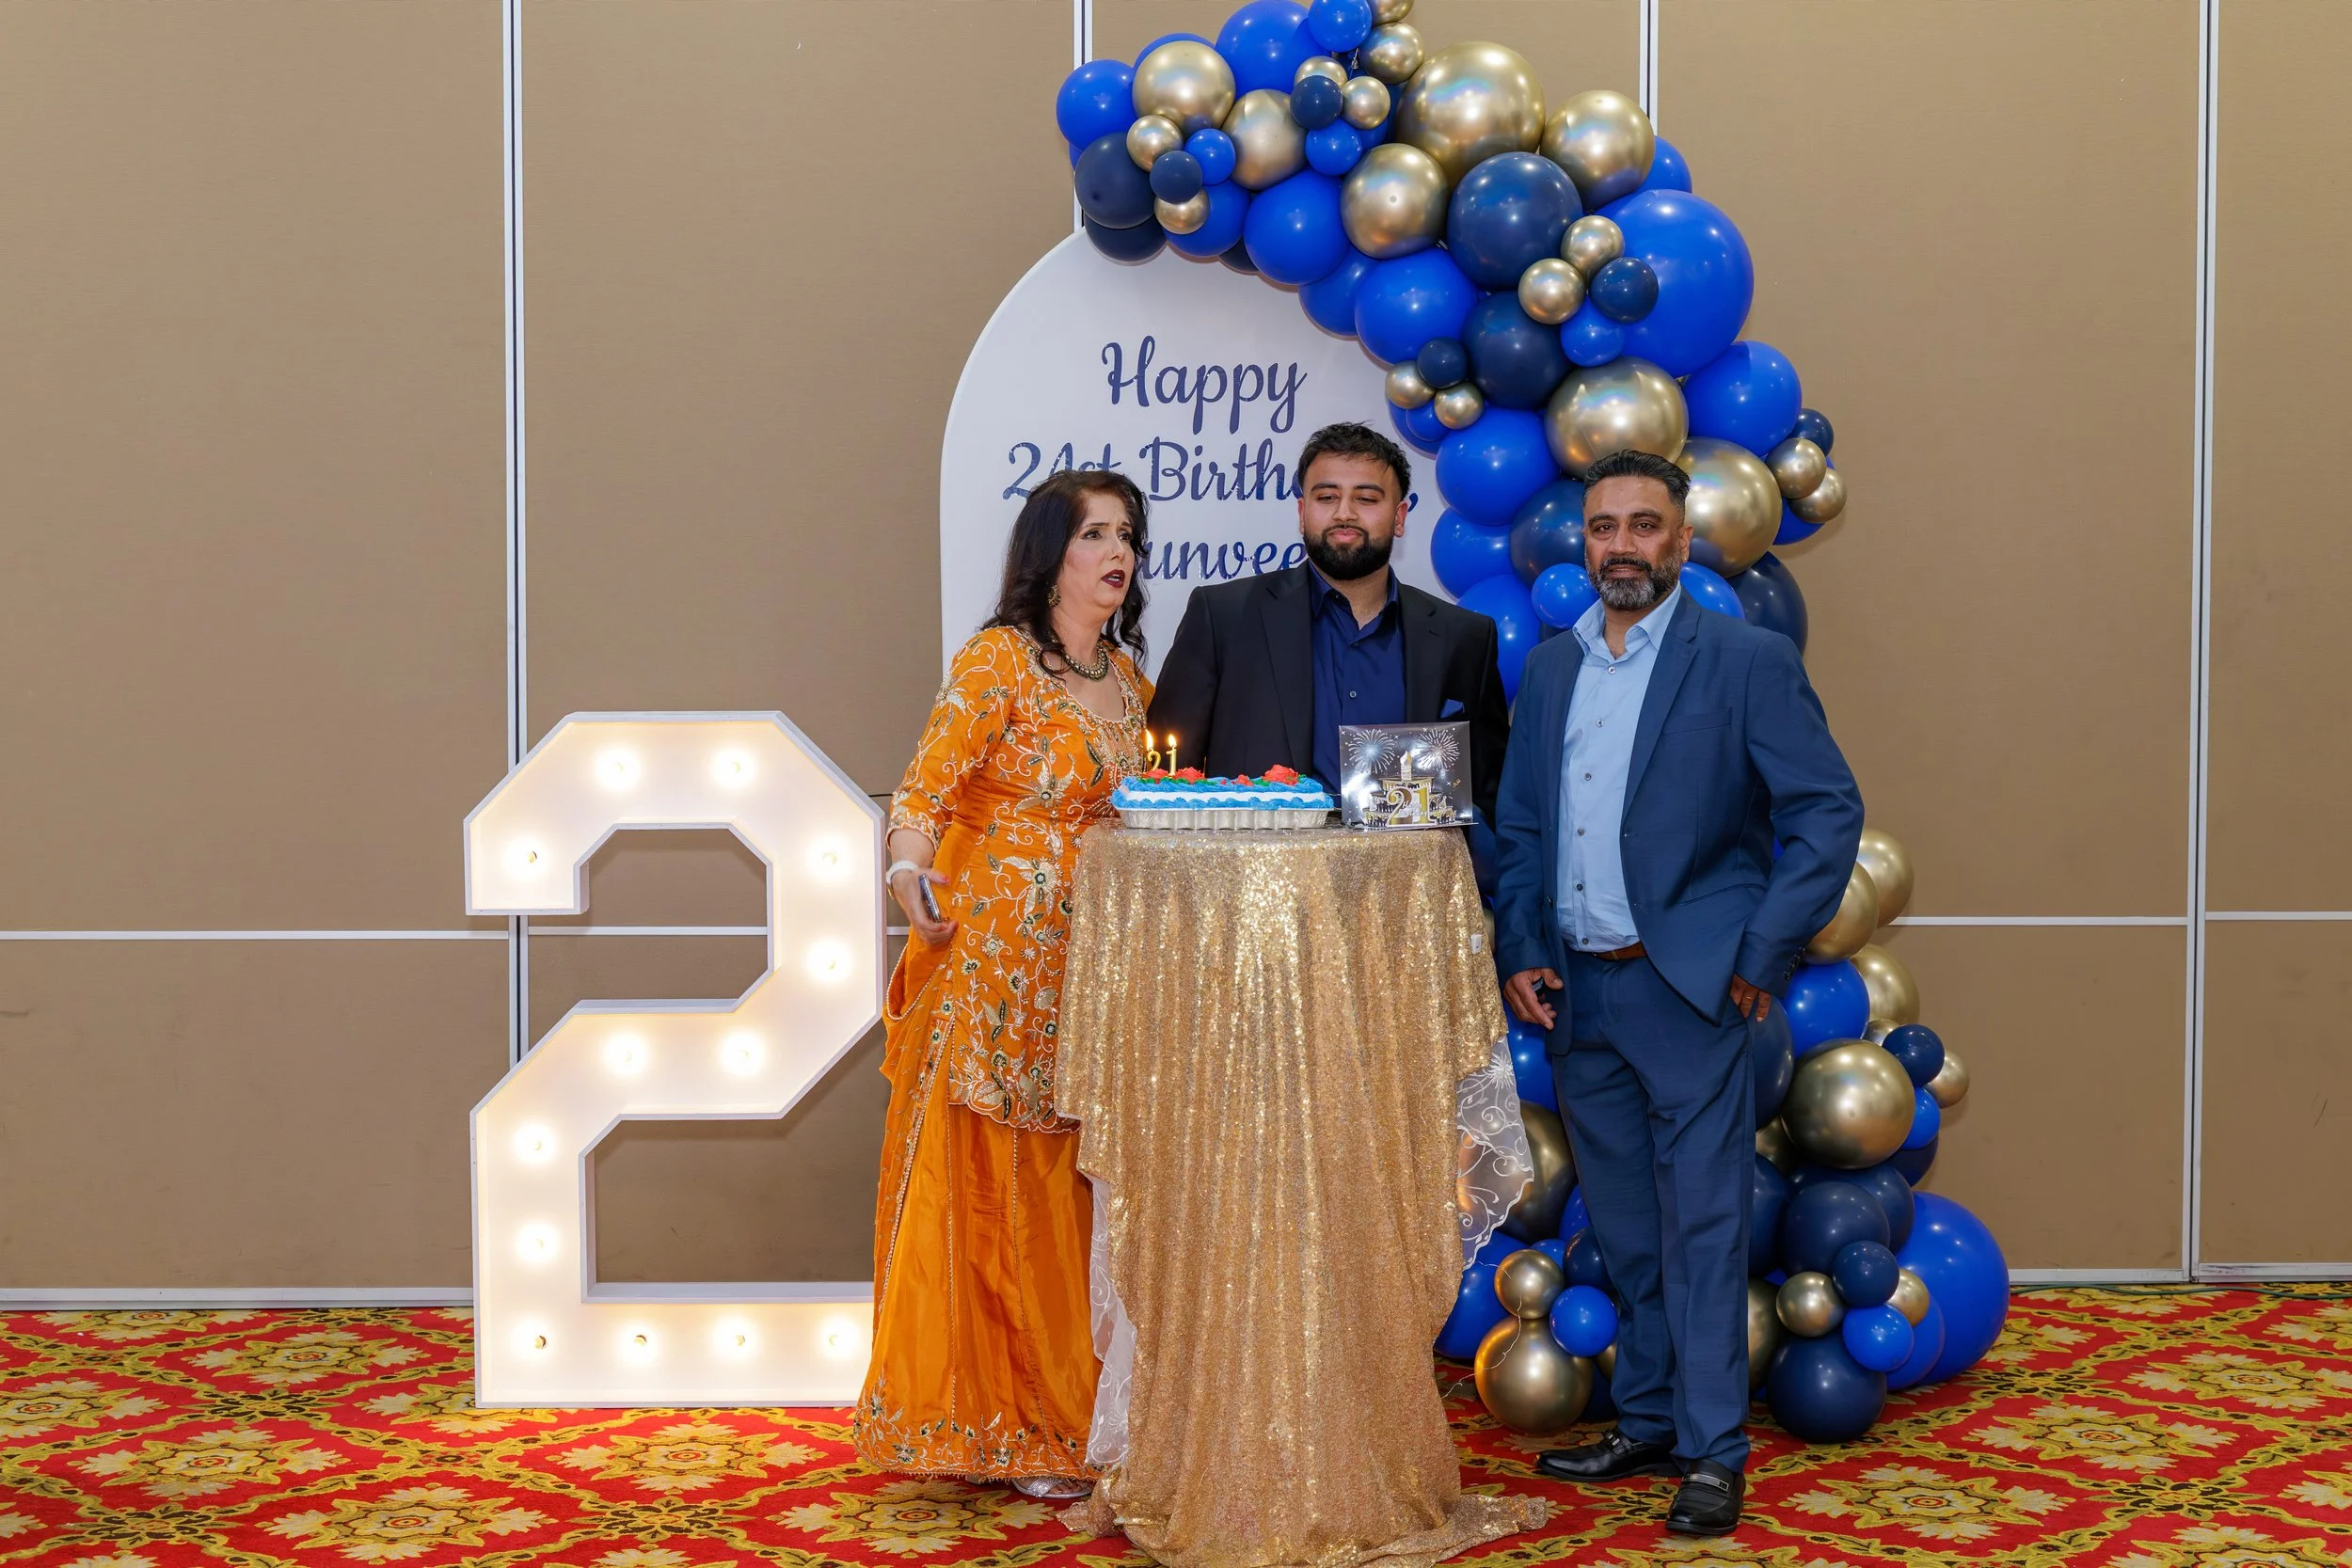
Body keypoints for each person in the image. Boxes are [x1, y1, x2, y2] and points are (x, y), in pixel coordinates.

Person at [1490, 449, 1862, 1537]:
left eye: (1643, 525)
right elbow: (1520, 825)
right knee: (1628, 1225)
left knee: (1701, 1227)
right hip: (1578, 994)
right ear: (1585, 541)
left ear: (1681, 541)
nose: (1620, 545)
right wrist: (1520, 940)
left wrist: (1759, 955)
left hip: (1695, 992)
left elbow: (1826, 811)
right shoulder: (1555, 668)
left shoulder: (1740, 660)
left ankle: (1711, 1450)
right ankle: (1648, 1415)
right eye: (1603, 526)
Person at [853, 468, 1154, 1499]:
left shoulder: (1127, 681)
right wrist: (906, 874)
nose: (1115, 552)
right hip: (993, 964)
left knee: (1079, 1192)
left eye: (1126, 533)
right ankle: (1010, 1420)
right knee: (1001, 1193)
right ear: (1048, 554)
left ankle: (1077, 1404)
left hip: (1097, 970)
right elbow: (925, 789)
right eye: (1092, 534)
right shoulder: (998, 664)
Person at [1146, 421, 1509, 830]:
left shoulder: (1463, 637)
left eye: (1367, 498)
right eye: (1327, 496)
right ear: (1303, 513)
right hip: (1255, 885)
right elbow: (1167, 782)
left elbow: (1490, 793)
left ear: (1400, 516)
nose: (1344, 513)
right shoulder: (1222, 617)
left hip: (1406, 888)